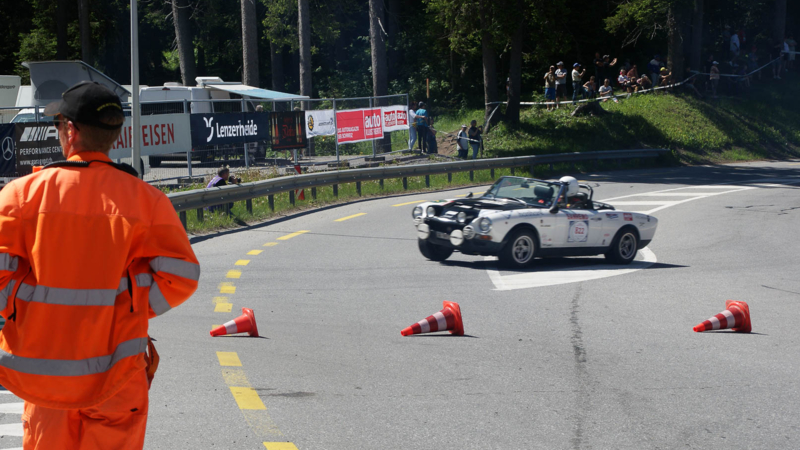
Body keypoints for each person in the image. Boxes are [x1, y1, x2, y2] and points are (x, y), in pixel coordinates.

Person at [0, 81, 199, 450]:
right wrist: (129, 304)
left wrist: (19, 307)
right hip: (118, 375)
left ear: (71, 131)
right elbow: (182, 276)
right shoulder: (147, 200)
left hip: (45, 381)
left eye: (59, 126)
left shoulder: (21, 196)